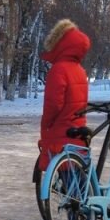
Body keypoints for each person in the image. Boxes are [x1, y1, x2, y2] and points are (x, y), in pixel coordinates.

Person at [35, 19, 91, 174]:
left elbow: (53, 105)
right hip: (78, 130)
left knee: (67, 183)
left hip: (61, 132)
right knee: (78, 177)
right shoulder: (80, 70)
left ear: (59, 44)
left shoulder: (59, 70)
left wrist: (46, 125)